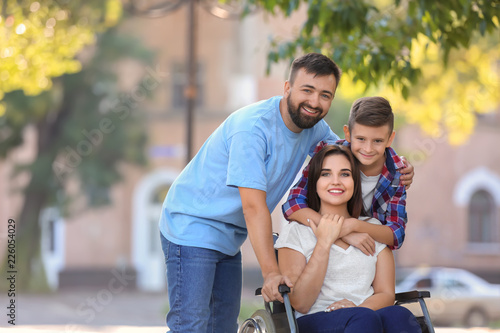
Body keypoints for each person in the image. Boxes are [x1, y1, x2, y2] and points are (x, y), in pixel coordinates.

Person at [158, 53, 344, 333]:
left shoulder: (314, 128)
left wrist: (397, 166)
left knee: (221, 327)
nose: (315, 102)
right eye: (307, 90)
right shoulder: (253, 129)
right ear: (287, 88)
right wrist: (270, 272)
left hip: (229, 237)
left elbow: (352, 157)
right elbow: (254, 208)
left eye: (325, 95)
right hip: (192, 225)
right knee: (191, 327)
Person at [275, 145, 422, 333]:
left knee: (399, 315)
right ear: (315, 182)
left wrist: (358, 309)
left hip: (366, 314)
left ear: (355, 181)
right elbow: (300, 303)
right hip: (315, 320)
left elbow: (385, 293)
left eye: (345, 174)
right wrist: (324, 242)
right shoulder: (297, 231)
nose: (336, 181)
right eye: (326, 174)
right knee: (364, 319)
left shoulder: (373, 227)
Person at [283, 96, 409, 254]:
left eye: (377, 141)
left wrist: (354, 226)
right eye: (361, 139)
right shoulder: (328, 156)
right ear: (348, 134)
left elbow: (397, 234)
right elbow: (292, 205)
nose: (368, 149)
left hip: (368, 251)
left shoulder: (398, 173)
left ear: (390, 139)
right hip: (318, 242)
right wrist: (342, 233)